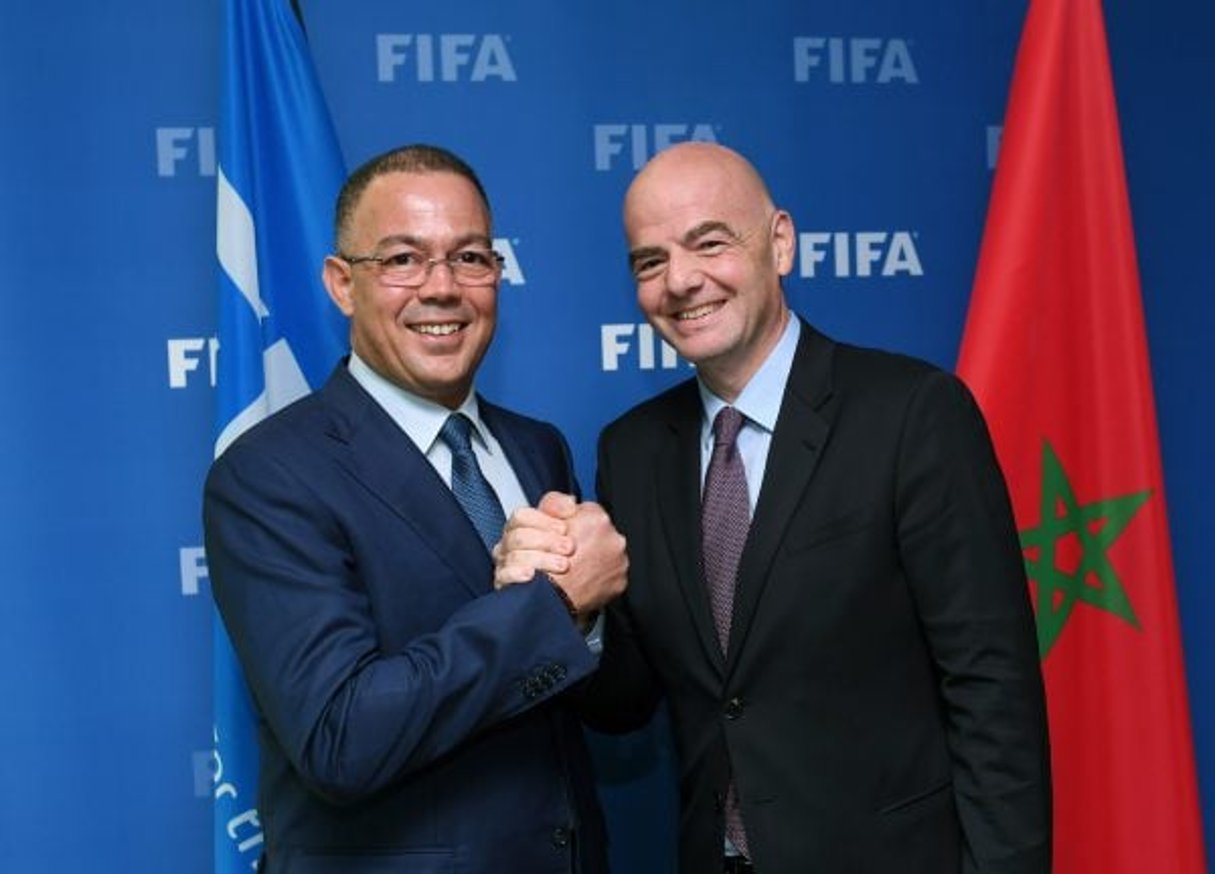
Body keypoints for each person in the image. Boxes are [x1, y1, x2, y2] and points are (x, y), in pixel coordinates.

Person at [496, 142, 1051, 873]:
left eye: (709, 243)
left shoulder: (911, 413)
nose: (681, 281)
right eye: (649, 261)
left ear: (779, 243)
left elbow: (992, 690)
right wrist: (576, 613)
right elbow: (626, 703)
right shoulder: (631, 450)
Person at [203, 144, 626, 874]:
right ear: (342, 283)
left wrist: (590, 621)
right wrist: (553, 605)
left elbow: (578, 700)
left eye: (470, 258)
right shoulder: (269, 475)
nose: (443, 288)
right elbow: (340, 738)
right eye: (402, 259)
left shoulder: (536, 448)